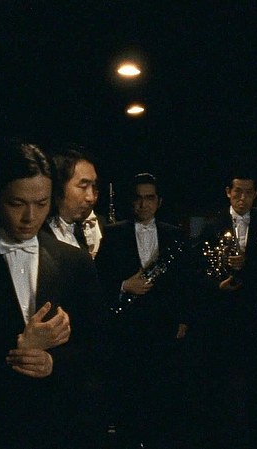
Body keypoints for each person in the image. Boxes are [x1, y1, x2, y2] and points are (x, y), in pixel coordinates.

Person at [0, 143, 106, 448]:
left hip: (60, 428)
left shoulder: (75, 262)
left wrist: (52, 362)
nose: (30, 216)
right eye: (17, 203)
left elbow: (100, 346)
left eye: (41, 203)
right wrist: (21, 349)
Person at [94, 172, 195, 447]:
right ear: (131, 201)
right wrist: (124, 285)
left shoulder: (174, 234)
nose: (143, 204)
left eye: (149, 198)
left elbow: (186, 282)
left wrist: (183, 319)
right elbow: (98, 279)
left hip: (164, 328)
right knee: (129, 399)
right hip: (127, 329)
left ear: (159, 201)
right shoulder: (114, 233)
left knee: (162, 399)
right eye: (138, 198)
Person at [195, 173, 257, 448]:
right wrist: (217, 286)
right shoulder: (211, 225)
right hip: (222, 319)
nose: (242, 198)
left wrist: (249, 264)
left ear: (256, 194)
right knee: (223, 384)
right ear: (228, 192)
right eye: (237, 192)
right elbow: (198, 272)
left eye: (248, 192)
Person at [45, 148, 102, 258]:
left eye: (93, 186)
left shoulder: (79, 232)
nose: (91, 197)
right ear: (59, 185)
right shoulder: (37, 234)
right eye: (83, 186)